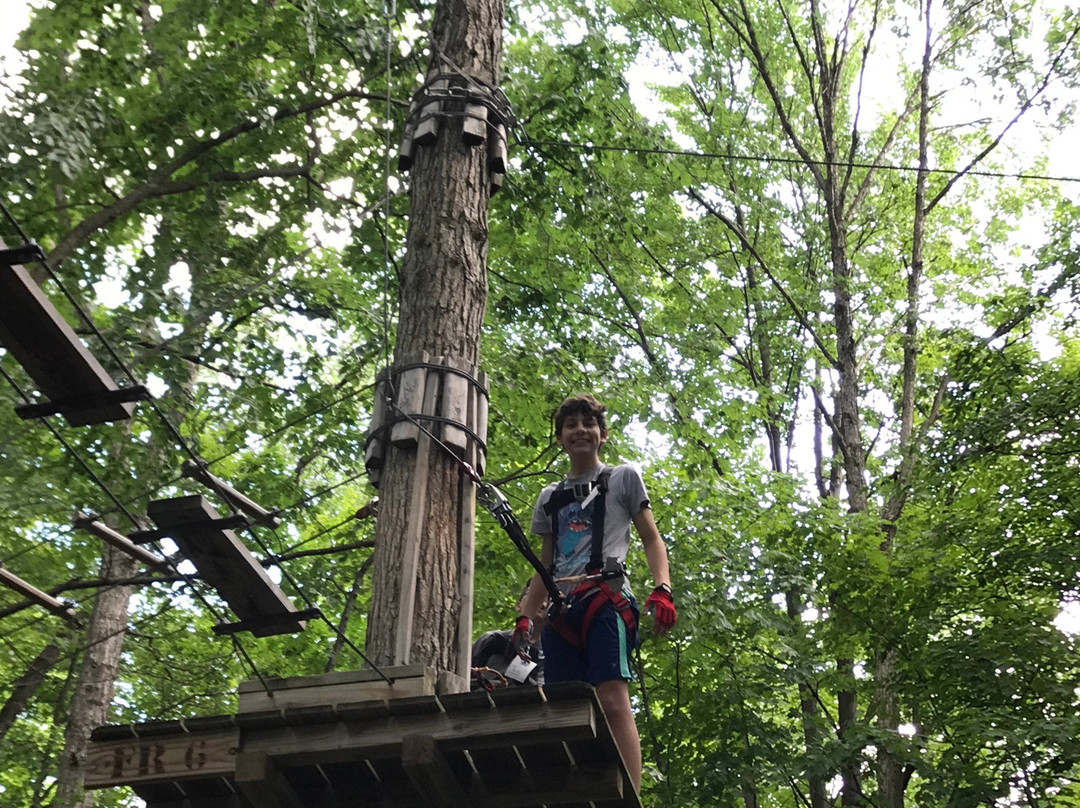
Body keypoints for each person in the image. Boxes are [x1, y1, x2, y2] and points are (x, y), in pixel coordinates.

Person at [515, 393, 676, 791]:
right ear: (559, 438)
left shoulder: (622, 478)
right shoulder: (549, 497)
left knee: (612, 700)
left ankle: (630, 794)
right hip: (560, 611)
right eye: (570, 425)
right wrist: (526, 616)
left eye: (588, 424)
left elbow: (651, 538)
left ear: (602, 434)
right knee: (564, 711)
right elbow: (545, 563)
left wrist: (662, 588)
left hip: (606, 600)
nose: (580, 431)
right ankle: (579, 793)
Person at [471, 583, 545, 690]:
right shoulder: (491, 640)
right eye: (534, 597)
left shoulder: (551, 657)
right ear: (518, 605)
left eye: (546, 599)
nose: (542, 603)